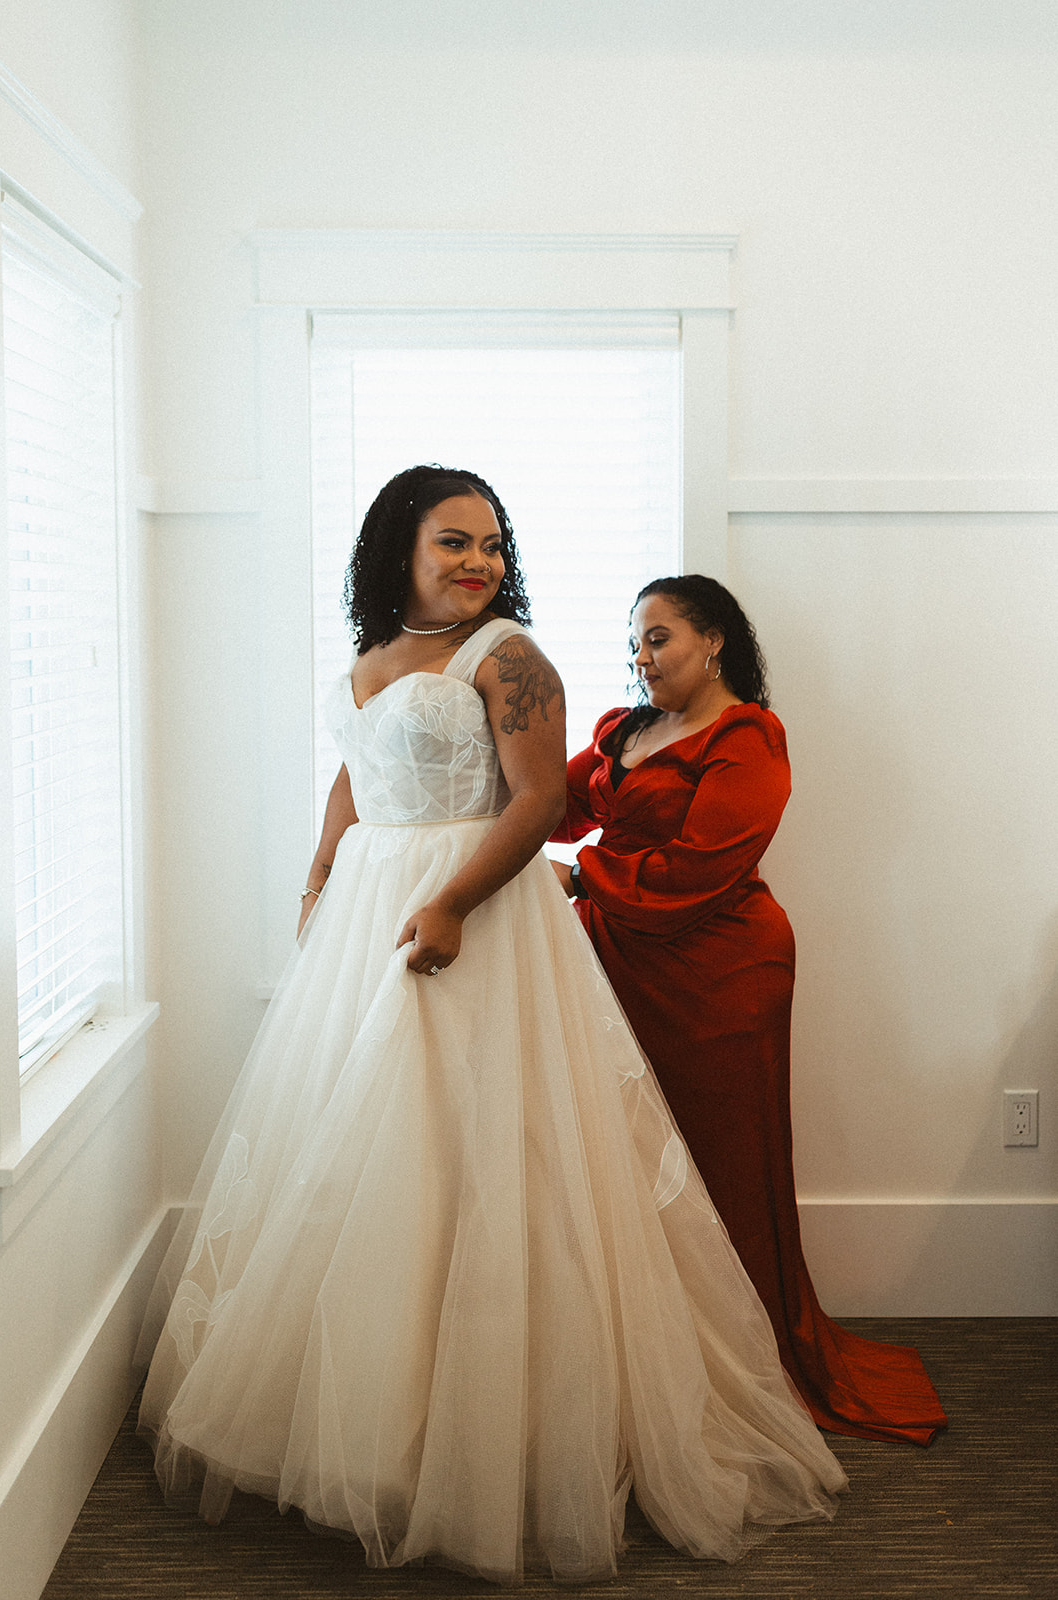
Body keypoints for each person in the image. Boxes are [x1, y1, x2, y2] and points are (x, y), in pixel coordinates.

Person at [137, 474, 846, 1584]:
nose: (480, 561)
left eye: (492, 543)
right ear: (399, 548)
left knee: (483, 1151)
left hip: (467, 911)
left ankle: (499, 1432)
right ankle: (371, 1419)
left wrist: (454, 903)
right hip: (367, 908)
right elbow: (357, 772)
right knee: (365, 1148)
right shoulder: (374, 654)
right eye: (454, 541)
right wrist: (319, 873)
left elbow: (535, 802)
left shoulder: (510, 657)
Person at [551, 574, 948, 1448]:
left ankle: (747, 1359)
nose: (640, 656)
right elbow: (551, 802)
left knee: (725, 1163)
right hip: (620, 961)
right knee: (624, 1156)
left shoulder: (748, 738)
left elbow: (703, 867)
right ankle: (655, 1356)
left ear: (713, 640)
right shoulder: (626, 731)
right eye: (633, 642)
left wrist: (580, 875)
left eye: (658, 637)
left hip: (719, 972)